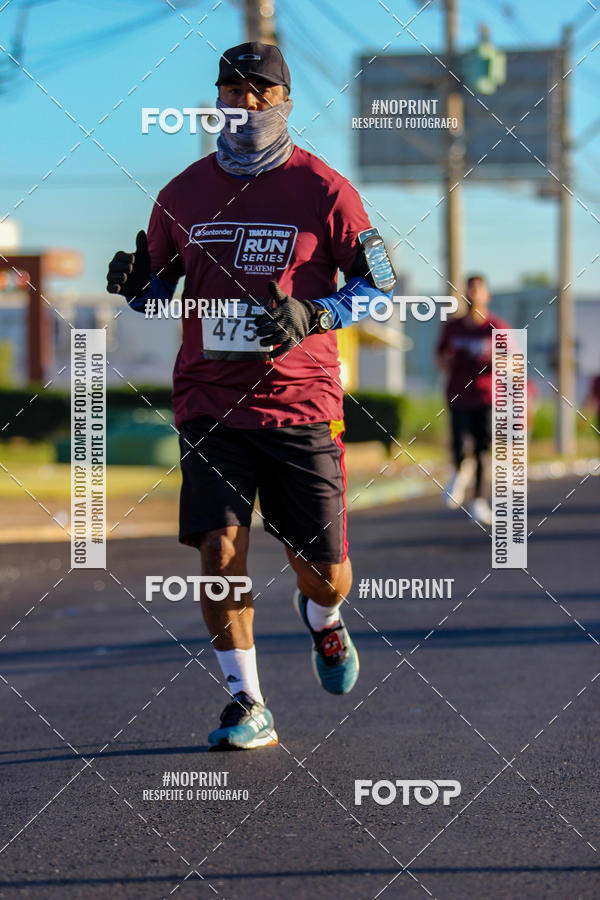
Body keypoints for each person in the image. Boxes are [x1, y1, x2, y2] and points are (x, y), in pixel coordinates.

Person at [106, 42, 395, 750]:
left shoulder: (325, 191)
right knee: (218, 545)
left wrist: (315, 313)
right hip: (210, 401)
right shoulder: (181, 194)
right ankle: (247, 701)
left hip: (300, 405)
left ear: (285, 101)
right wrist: (135, 285)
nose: (243, 102)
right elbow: (157, 294)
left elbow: (379, 284)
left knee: (327, 576)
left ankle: (322, 620)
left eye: (258, 90)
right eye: (231, 89)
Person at [436, 274, 510, 526]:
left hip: (486, 395)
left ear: (487, 294)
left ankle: (478, 499)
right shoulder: (452, 327)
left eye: (478, 288)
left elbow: (511, 360)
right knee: (458, 441)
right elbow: (440, 355)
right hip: (458, 393)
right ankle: (458, 470)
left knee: (481, 448)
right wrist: (451, 362)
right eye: (469, 288)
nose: (473, 293)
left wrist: (490, 361)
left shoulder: (497, 327)